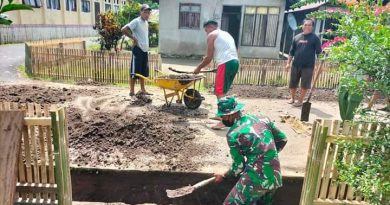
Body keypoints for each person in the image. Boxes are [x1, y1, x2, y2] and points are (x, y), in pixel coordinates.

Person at [213, 97, 288, 205]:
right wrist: (268, 154)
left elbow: (238, 167)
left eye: (222, 116)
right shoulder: (263, 119)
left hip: (255, 179)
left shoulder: (233, 134)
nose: (221, 119)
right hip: (274, 176)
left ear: (229, 115)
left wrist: (224, 175)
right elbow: (283, 139)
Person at [193, 19, 239, 129]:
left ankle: (225, 120)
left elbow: (209, 57)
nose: (206, 33)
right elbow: (219, 52)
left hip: (225, 63)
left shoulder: (212, 35)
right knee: (222, 91)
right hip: (234, 62)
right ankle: (222, 115)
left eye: (206, 30)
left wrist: (198, 68)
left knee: (219, 92)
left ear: (210, 27)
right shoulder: (225, 34)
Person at [285, 18, 321, 107]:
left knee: (305, 84)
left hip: (308, 66)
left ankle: (300, 100)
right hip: (296, 65)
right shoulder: (296, 37)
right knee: (293, 83)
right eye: (305, 25)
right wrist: (288, 63)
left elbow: (319, 53)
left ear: (312, 27)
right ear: (302, 26)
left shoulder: (315, 38)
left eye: (309, 25)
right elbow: (291, 52)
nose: (307, 26)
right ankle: (292, 98)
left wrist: (320, 65)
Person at [121, 4, 152, 96]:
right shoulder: (136, 21)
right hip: (138, 50)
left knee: (143, 71)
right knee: (134, 71)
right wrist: (133, 38)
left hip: (144, 50)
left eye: (148, 13)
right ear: (141, 12)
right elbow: (124, 29)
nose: (147, 14)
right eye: (145, 12)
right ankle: (132, 91)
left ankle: (142, 90)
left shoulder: (146, 23)